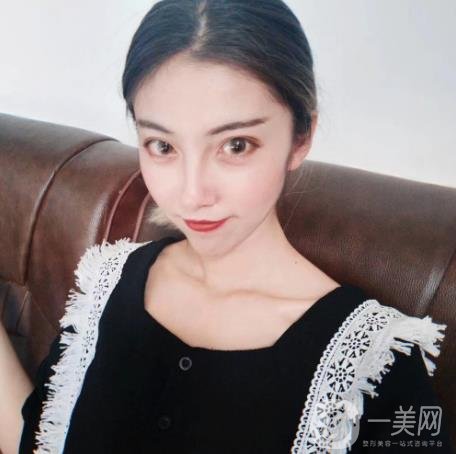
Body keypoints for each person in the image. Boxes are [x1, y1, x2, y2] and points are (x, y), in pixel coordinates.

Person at [1, 0, 453, 453]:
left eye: (236, 145)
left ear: (300, 138)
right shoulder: (107, 285)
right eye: (162, 146)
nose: (192, 193)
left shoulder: (376, 366)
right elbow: (37, 440)